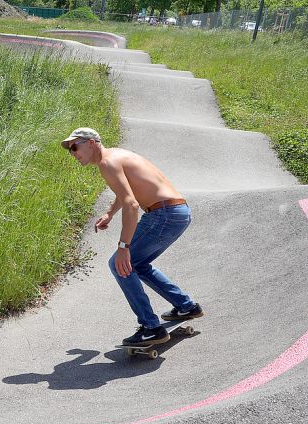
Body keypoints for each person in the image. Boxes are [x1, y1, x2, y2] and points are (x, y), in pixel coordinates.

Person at [61, 127, 203, 346]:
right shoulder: (117, 155)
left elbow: (131, 204)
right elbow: (127, 191)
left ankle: (151, 327)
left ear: (91, 143)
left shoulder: (107, 163)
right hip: (177, 212)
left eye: (74, 147)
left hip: (163, 214)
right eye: (70, 150)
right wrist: (109, 212)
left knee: (120, 264)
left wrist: (123, 247)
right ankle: (186, 306)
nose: (73, 153)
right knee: (138, 264)